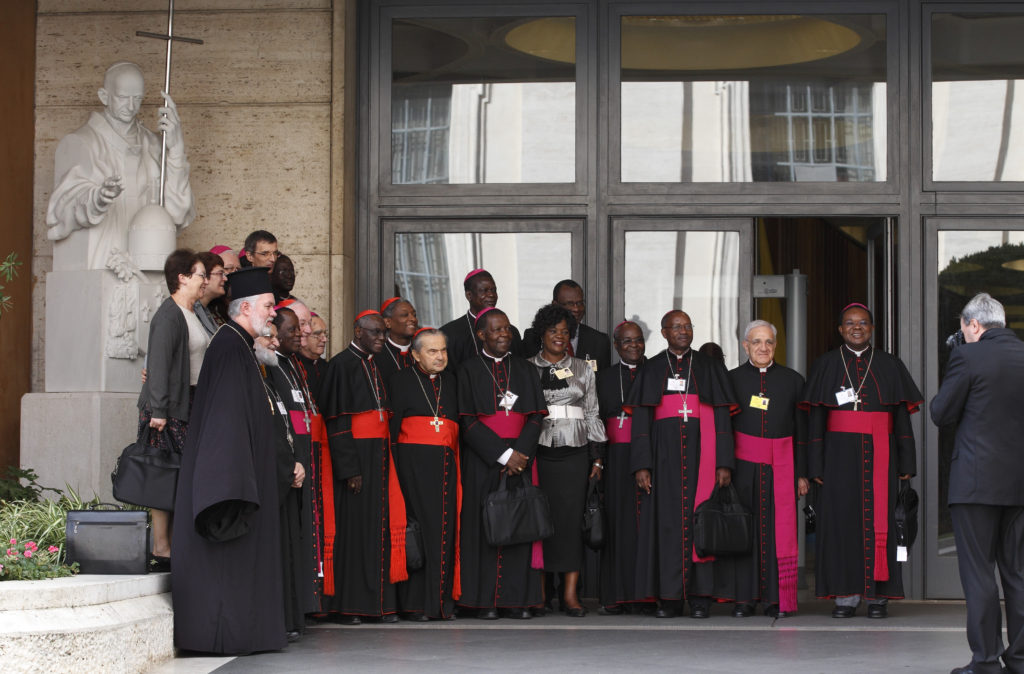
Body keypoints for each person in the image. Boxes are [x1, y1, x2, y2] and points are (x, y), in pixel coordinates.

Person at [171, 267, 287, 655]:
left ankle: (247, 633)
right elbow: (223, 424)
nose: (274, 313)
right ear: (246, 308)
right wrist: (229, 490)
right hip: (229, 491)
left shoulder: (243, 346)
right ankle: (225, 636)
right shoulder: (228, 346)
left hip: (245, 481)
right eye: (269, 306)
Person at [801, 303, 923, 619]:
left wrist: (907, 464)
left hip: (882, 456)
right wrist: (815, 466)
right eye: (850, 323)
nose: (857, 327)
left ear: (872, 328)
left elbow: (900, 420)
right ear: (840, 330)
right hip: (837, 460)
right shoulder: (826, 364)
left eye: (864, 323)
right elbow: (815, 420)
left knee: (880, 521)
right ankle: (845, 596)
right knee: (841, 524)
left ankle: (878, 597)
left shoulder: (889, 365)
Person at [930, 293, 1024, 674]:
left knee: (979, 573)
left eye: (964, 328)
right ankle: (1019, 659)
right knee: (1017, 573)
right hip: (1018, 483)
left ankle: (985, 661)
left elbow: (940, 412)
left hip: (975, 482)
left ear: (973, 325)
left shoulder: (967, 356)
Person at [625, 310, 738, 619]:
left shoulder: (709, 366)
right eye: (676, 327)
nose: (683, 331)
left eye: (687, 326)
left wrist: (724, 462)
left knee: (702, 523)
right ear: (664, 333)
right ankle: (670, 598)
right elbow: (642, 422)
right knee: (667, 525)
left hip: (704, 455)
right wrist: (642, 465)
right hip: (663, 460)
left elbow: (723, 418)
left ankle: (701, 598)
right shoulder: (652, 369)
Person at [46, 61, 195, 270]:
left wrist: (176, 149)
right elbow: (63, 206)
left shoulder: (154, 145)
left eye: (138, 98)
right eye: (123, 97)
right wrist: (96, 198)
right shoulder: (80, 142)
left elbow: (178, 212)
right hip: (103, 256)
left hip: (149, 260)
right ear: (104, 96)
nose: (131, 106)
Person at [456, 308, 546, 619]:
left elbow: (536, 416)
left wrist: (519, 454)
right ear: (481, 335)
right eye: (496, 330)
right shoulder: (467, 370)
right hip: (483, 461)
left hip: (521, 459)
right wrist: (504, 455)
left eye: (507, 329)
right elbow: (466, 422)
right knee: (483, 530)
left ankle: (516, 600)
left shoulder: (525, 369)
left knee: (519, 527)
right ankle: (484, 602)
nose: (504, 334)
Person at [320, 310, 408, 624]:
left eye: (384, 333)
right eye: (376, 333)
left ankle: (379, 605)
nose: (382, 338)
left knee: (380, 529)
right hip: (357, 459)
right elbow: (338, 422)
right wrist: (349, 469)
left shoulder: (376, 365)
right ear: (359, 331)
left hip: (379, 455)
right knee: (355, 534)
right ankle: (350, 607)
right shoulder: (341, 365)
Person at [722, 320, 808, 619]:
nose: (763, 348)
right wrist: (725, 467)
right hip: (743, 468)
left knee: (777, 532)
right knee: (744, 531)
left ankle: (776, 599)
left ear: (775, 346)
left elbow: (802, 431)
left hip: (782, 467)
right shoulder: (731, 379)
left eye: (769, 342)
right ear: (745, 345)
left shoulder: (793, 380)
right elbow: (724, 429)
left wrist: (802, 473)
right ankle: (743, 599)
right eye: (756, 342)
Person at [527, 304, 606, 617]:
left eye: (564, 331)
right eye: (552, 331)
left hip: (575, 454)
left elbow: (593, 412)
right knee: (543, 522)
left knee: (572, 525)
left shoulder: (583, 368)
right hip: (540, 453)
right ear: (541, 334)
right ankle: (543, 594)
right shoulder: (527, 367)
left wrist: (597, 458)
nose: (559, 337)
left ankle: (571, 595)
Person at [136, 249, 208, 567]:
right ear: (182, 277)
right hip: (168, 409)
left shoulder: (195, 312)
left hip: (189, 403)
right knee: (163, 474)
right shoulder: (168, 315)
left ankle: (175, 542)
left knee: (181, 475)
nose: (205, 280)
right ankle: (161, 546)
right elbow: (159, 365)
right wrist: (159, 412)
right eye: (200, 274)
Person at [388, 328, 461, 621]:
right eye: (432, 351)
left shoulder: (451, 382)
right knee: (416, 532)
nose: (440, 356)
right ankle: (417, 605)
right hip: (411, 469)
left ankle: (441, 603)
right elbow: (392, 433)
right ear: (415, 354)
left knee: (443, 533)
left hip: (446, 467)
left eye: (443, 350)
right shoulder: (399, 382)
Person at [256, 319, 308, 643]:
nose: (275, 344)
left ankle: (289, 621)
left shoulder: (271, 376)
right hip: (270, 478)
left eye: (276, 337)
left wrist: (296, 463)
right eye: (270, 338)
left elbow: (284, 426)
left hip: (286, 473)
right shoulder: (251, 377)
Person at [269, 308, 322, 619]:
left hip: (301, 456)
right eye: (291, 329)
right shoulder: (272, 365)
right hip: (288, 460)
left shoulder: (292, 365)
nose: (300, 334)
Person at [595, 320, 650, 614]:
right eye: (627, 342)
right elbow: (596, 420)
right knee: (618, 527)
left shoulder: (654, 373)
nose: (633, 346)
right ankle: (616, 596)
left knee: (648, 527)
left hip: (650, 456)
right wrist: (598, 459)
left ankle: (647, 595)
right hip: (615, 459)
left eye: (638, 340)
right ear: (616, 346)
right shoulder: (603, 378)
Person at [441, 269, 524, 367]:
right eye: (484, 291)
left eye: (493, 290)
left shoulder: (511, 332)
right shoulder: (449, 334)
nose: (491, 295)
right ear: (469, 295)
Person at [523, 280, 612, 371]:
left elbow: (603, 380)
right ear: (555, 304)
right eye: (570, 303)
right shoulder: (533, 337)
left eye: (580, 303)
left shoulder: (599, 341)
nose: (576, 309)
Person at [378, 297, 418, 383]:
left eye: (414, 315)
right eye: (404, 315)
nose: (413, 319)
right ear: (387, 323)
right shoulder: (377, 357)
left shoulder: (421, 352)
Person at [295, 313, 329, 407]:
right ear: (303, 336)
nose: (324, 339)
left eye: (325, 334)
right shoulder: (292, 365)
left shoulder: (328, 367)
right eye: (317, 334)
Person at [194, 251, 226, 335]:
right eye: (220, 273)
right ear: (204, 276)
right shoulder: (191, 311)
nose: (225, 278)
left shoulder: (209, 310)